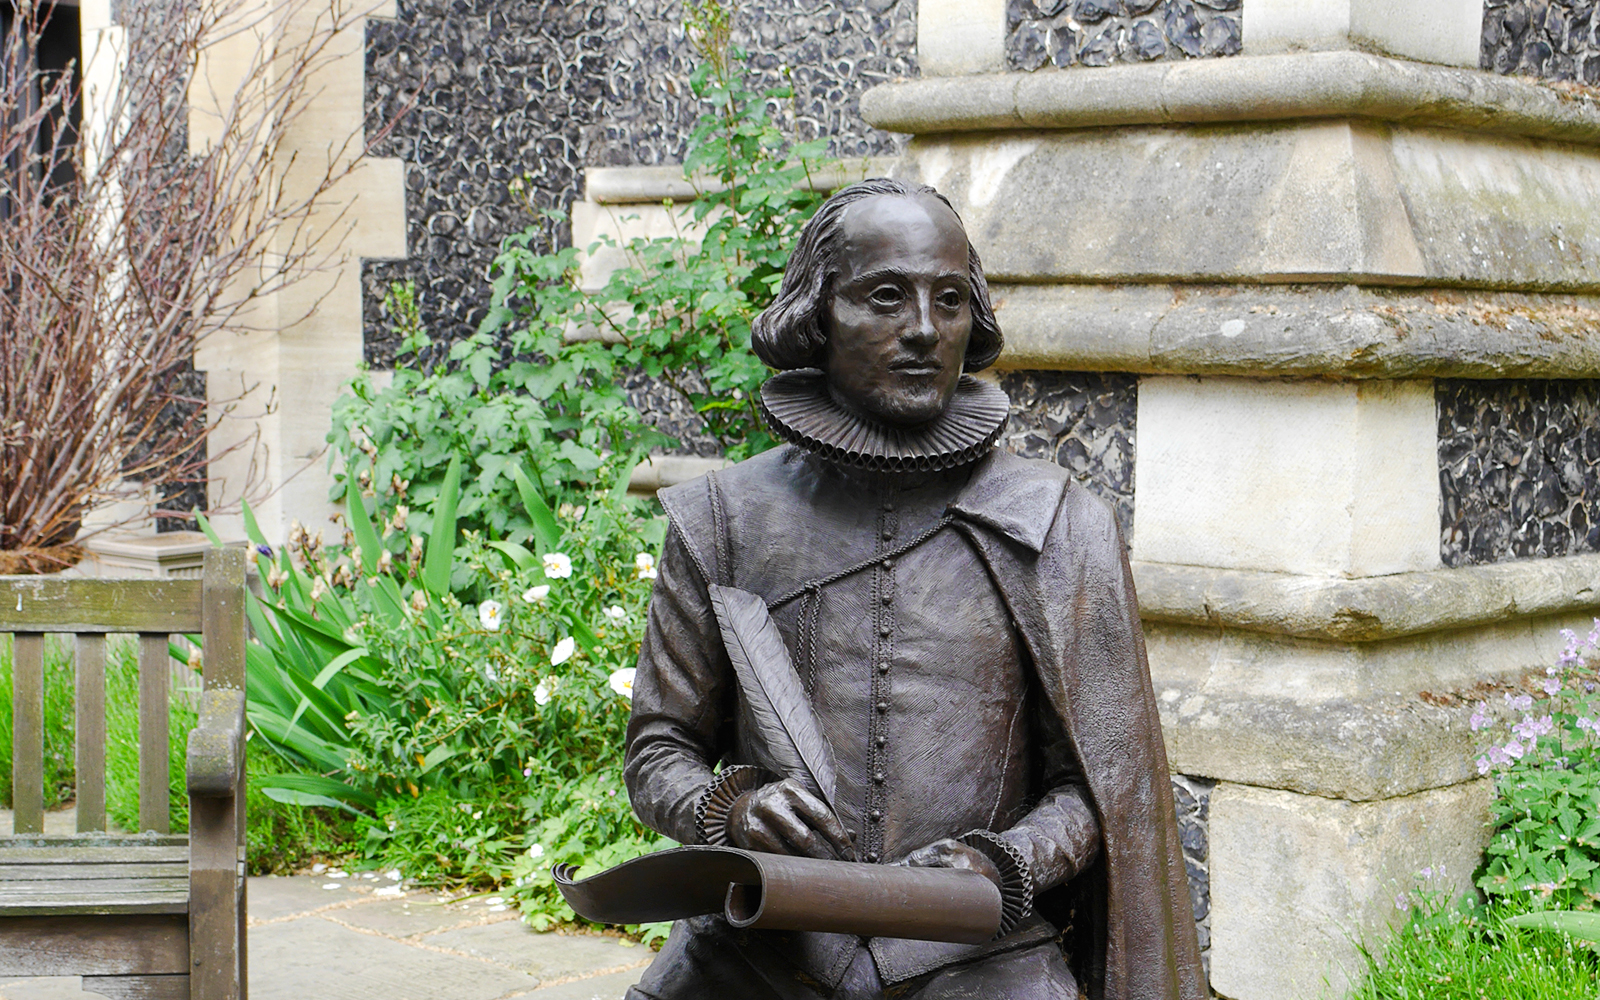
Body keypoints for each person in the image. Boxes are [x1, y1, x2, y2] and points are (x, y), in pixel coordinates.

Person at [622, 178, 1206, 1000]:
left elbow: (1100, 788)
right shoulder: (723, 519)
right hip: (766, 946)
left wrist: (1005, 862)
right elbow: (658, 751)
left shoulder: (1056, 522)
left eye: (951, 300)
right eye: (885, 298)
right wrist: (735, 813)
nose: (925, 331)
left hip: (978, 954)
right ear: (818, 314)